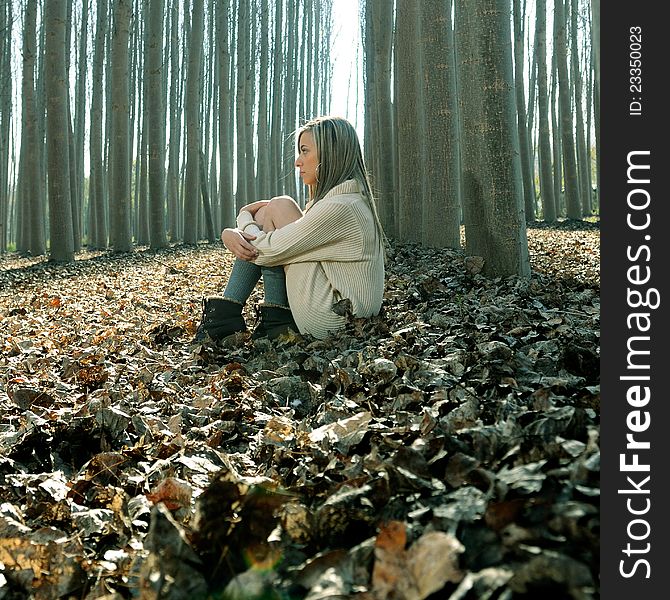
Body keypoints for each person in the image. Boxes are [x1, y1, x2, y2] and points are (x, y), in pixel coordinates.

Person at [195, 115, 385, 342]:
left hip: (333, 320)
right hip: (340, 313)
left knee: (277, 210)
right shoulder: (347, 201)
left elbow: (266, 252)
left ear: (330, 154)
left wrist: (241, 221)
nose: (298, 161)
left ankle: (228, 320)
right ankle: (269, 320)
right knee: (274, 211)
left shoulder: (341, 208)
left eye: (305, 151)